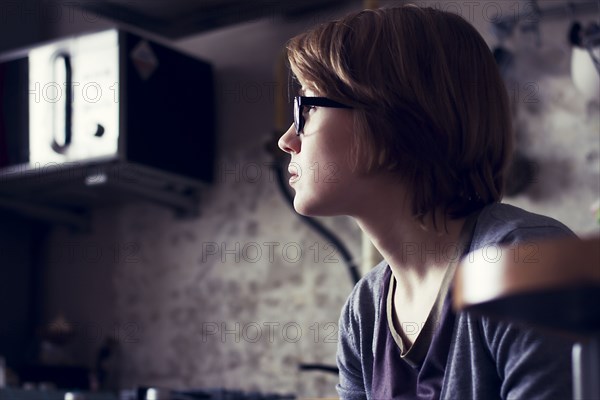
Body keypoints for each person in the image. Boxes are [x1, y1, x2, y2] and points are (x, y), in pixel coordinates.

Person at [277, 5, 576, 400]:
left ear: (392, 119)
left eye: (307, 108)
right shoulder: (364, 309)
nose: (287, 140)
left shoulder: (527, 262)